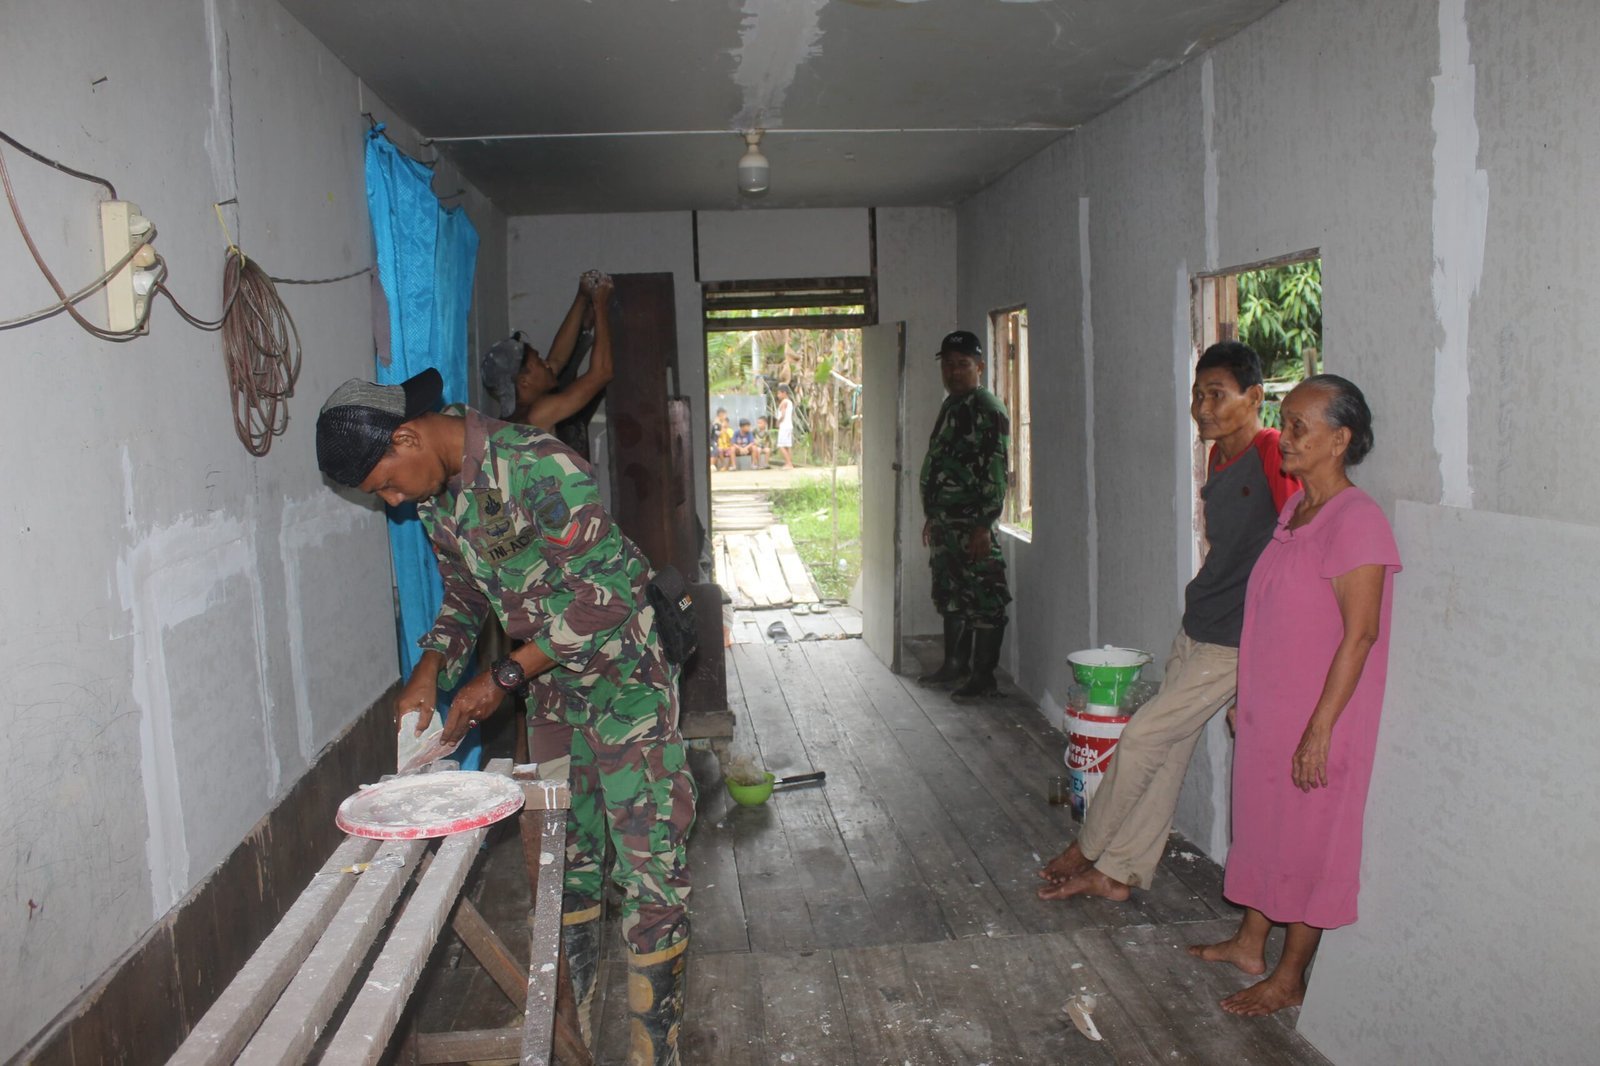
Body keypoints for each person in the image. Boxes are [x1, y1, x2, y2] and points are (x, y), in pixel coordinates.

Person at [314, 369, 695, 1065]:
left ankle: (655, 1053)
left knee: (650, 871)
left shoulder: (533, 465)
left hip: (627, 688)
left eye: (387, 486)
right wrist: (431, 666)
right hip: (553, 696)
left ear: (407, 438)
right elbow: (467, 592)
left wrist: (506, 674)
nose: (394, 502)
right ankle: (577, 1037)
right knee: (568, 863)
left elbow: (611, 591)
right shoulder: (440, 496)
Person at [1038, 342, 1298, 902]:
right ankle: (1118, 874)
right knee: (1168, 750)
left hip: (1234, 641)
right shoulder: (1219, 456)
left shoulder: (1275, 455)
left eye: (1217, 395)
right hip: (1199, 622)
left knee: (1141, 737)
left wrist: (1267, 662)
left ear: (1255, 398)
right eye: (1198, 395)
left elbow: (1298, 550)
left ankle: (1087, 849)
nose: (1203, 408)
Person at [1189, 374, 1400, 1016]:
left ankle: (1289, 977)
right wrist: (1247, 696)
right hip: (1272, 711)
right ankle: (1250, 943)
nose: (1286, 435)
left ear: (1340, 440)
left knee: (1308, 841)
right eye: (1286, 421)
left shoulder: (1357, 522)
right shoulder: (1296, 509)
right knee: (1264, 827)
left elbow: (1361, 635)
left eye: (1300, 427)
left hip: (1320, 716)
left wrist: (1319, 728)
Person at [917, 330, 1012, 700]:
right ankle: (955, 665)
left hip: (973, 525)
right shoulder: (953, 406)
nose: (954, 372)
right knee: (952, 594)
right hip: (947, 524)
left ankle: (983, 677)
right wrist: (934, 514)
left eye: (963, 364)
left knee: (986, 598)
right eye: (948, 365)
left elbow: (996, 472)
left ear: (980, 367)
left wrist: (984, 525)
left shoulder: (987, 409)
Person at [510, 271, 615, 429]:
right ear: (524, 381)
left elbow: (557, 359)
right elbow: (602, 373)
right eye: (540, 362)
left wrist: (582, 297)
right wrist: (600, 305)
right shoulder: (537, 414)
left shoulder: (516, 410)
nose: (547, 364)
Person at [774, 385, 796, 469]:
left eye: (779, 393)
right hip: (789, 425)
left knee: (781, 445)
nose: (778, 395)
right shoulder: (789, 402)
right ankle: (789, 463)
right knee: (787, 445)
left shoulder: (784, 402)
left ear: (784, 393)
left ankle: (789, 463)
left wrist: (778, 422)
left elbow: (782, 415)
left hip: (784, 426)